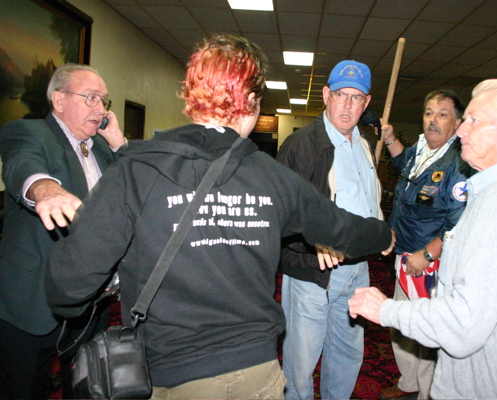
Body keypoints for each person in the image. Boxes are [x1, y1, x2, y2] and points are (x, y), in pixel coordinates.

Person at [45, 34, 394, 400]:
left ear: (190, 95)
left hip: (169, 374)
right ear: (253, 102)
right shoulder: (273, 178)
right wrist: (383, 235)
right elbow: (343, 230)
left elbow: (67, 287)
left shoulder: (135, 169)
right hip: (256, 375)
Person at [349, 78, 497, 399]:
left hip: (484, 387)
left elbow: (463, 323)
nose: (462, 130)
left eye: (474, 120)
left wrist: (384, 310)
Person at [0, 63, 126, 399]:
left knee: (85, 387)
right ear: (59, 100)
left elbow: (138, 187)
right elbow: (22, 163)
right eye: (91, 98)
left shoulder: (102, 148)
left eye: (104, 101)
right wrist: (45, 189)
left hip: (92, 302)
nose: (101, 109)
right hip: (33, 301)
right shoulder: (29, 132)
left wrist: (119, 143)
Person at [276, 59, 382, 400]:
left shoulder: (364, 144)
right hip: (314, 273)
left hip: (357, 270)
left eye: (356, 97)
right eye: (340, 95)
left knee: (347, 354)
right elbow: (279, 214)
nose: (347, 105)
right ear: (326, 95)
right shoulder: (301, 145)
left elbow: (367, 200)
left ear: (366, 102)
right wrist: (313, 242)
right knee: (301, 362)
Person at [378, 90, 474, 400]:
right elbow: (404, 164)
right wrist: (390, 139)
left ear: (457, 123)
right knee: (402, 325)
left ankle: (429, 393)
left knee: (429, 330)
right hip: (405, 254)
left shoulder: (458, 163)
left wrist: (429, 253)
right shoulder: (420, 151)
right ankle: (409, 381)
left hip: (431, 263)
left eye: (442, 114)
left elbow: (459, 221)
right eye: (429, 112)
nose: (433, 120)